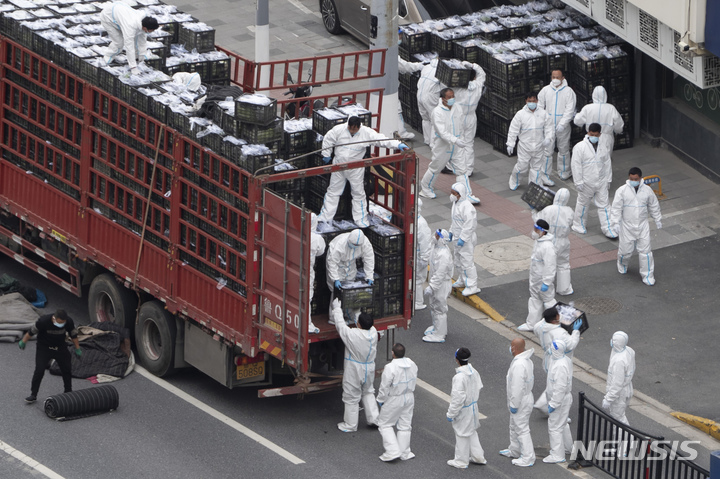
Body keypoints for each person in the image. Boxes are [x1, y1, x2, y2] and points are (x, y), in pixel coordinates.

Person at [318, 116, 408, 227]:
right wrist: (326, 154)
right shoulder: (339, 130)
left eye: (354, 129)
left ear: (359, 127)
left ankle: (361, 221)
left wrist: (397, 144)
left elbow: (380, 139)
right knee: (333, 192)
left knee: (358, 194)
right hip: (339, 167)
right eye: (350, 128)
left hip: (355, 169)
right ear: (348, 125)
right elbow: (328, 139)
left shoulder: (366, 133)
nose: (352, 131)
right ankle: (325, 219)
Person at [331, 298, 379, 432]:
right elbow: (364, 322)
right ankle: (374, 418)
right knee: (368, 391)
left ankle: (350, 425)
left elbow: (340, 326)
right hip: (369, 367)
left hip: (355, 369)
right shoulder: (373, 332)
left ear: (358, 324)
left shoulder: (353, 335)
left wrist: (337, 309)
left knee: (351, 396)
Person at [610, 167, 662, 285]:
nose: (633, 180)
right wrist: (615, 222)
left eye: (636, 179)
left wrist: (657, 218)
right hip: (627, 226)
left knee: (646, 252)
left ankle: (648, 276)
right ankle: (622, 264)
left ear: (640, 178)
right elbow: (616, 208)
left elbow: (653, 205)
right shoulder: (622, 191)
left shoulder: (647, 191)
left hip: (642, 225)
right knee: (625, 251)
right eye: (631, 178)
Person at [419, 88, 473, 199]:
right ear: (443, 99)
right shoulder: (437, 112)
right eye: (449, 97)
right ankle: (425, 188)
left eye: (453, 96)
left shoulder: (457, 108)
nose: (452, 99)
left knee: (462, 170)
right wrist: (455, 140)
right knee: (435, 168)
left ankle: (466, 194)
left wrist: (460, 139)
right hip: (442, 146)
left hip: (456, 145)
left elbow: (461, 124)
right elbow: (442, 132)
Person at [18, 309, 81, 403]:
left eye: (63, 323)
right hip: (44, 348)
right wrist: (23, 341)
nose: (62, 325)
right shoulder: (43, 321)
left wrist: (77, 348)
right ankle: (33, 394)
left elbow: (73, 335)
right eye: (60, 322)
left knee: (66, 369)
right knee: (39, 371)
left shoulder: (68, 321)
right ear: (54, 318)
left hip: (60, 347)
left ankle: (68, 391)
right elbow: (31, 332)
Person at [571, 123, 616, 238]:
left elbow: (607, 163)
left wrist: (608, 180)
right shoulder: (580, 147)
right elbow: (576, 165)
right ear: (588, 132)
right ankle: (578, 224)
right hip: (586, 182)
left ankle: (608, 228)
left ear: (600, 134)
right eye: (592, 134)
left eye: (596, 135)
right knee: (583, 204)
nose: (594, 136)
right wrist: (578, 182)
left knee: (604, 205)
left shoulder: (603, 146)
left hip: (601, 181)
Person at [532, 307, 581, 413]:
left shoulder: (539, 326)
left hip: (547, 359)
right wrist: (576, 331)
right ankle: (549, 406)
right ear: (556, 318)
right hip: (559, 359)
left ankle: (543, 404)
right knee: (559, 383)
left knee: (552, 381)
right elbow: (571, 344)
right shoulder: (560, 333)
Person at [377, 343, 418, 461]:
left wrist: (381, 399)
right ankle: (404, 452)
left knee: (385, 424)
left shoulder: (390, 367)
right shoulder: (412, 364)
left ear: (392, 353)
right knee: (405, 425)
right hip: (409, 396)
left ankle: (392, 451)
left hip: (395, 397)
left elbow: (384, 386)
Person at [446, 347, 486, 469]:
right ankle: (478, 456)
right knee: (472, 431)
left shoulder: (459, 377)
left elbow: (457, 398)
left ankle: (461, 461)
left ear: (457, 359)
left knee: (461, 433)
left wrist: (451, 414)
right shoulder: (474, 371)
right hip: (473, 406)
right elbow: (479, 386)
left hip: (464, 409)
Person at [506, 92, 554, 190]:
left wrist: (548, 138)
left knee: (536, 169)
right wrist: (510, 143)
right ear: (526, 101)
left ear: (537, 101)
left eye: (533, 101)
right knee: (522, 167)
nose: (532, 103)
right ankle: (514, 180)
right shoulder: (520, 114)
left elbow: (549, 127)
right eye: (529, 101)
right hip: (525, 147)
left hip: (539, 146)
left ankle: (534, 186)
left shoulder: (543, 113)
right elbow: (513, 129)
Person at [453, 61, 487, 199]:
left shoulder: (458, 88)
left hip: (459, 117)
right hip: (471, 116)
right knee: (469, 143)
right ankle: (469, 168)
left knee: (459, 143)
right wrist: (473, 65)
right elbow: (482, 73)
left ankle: (461, 168)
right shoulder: (478, 85)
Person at [325, 229, 375, 322]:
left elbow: (369, 259)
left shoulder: (365, 243)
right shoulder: (339, 245)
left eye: (357, 246)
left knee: (350, 290)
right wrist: (335, 279)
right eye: (353, 244)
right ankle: (334, 318)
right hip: (338, 264)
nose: (355, 247)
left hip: (350, 263)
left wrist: (369, 276)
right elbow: (332, 263)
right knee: (337, 292)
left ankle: (349, 314)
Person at [500, 338, 536, 467]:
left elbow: (517, 386)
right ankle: (515, 450)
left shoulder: (519, 365)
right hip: (524, 398)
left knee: (521, 429)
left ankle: (528, 457)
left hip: (520, 401)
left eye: (511, 346)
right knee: (514, 426)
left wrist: (514, 405)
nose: (510, 348)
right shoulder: (526, 361)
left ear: (514, 348)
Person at [517, 220, 557, 331]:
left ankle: (557, 323)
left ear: (543, 232)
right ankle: (531, 324)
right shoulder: (539, 242)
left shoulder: (548, 247)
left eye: (537, 230)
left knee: (549, 301)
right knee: (535, 300)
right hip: (535, 279)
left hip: (542, 280)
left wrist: (547, 282)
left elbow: (550, 266)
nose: (534, 232)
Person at [533, 188, 574, 295]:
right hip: (563, 241)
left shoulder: (548, 209)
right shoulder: (569, 211)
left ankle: (541, 285)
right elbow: (571, 224)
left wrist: (534, 211)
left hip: (549, 240)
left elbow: (538, 221)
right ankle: (564, 289)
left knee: (545, 263)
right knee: (563, 264)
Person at [538, 69, 577, 182]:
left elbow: (570, 109)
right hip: (548, 126)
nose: (555, 79)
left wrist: (563, 123)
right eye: (553, 77)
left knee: (563, 149)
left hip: (562, 127)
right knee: (547, 151)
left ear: (563, 78)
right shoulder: (545, 90)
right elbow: (540, 106)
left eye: (557, 77)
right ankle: (544, 174)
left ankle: (564, 171)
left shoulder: (568, 92)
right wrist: (544, 121)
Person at [100, 2, 158, 75]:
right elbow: (129, 46)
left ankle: (137, 57)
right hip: (108, 18)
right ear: (145, 27)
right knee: (119, 42)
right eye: (151, 30)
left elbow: (142, 40)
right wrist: (133, 67)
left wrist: (141, 55)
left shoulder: (143, 20)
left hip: (120, 11)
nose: (151, 32)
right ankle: (107, 57)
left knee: (137, 37)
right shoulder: (130, 26)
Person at [544, 339, 574, 463]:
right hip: (562, 399)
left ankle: (557, 454)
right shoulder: (563, 360)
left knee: (554, 426)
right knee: (562, 424)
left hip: (559, 400)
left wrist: (554, 404)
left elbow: (560, 387)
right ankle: (568, 448)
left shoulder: (560, 365)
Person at [448, 182, 480, 297]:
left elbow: (470, 225)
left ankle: (472, 286)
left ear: (460, 194)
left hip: (466, 240)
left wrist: (463, 238)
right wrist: (451, 232)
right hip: (457, 237)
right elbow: (455, 221)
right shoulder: (455, 203)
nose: (451, 195)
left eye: (454, 193)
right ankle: (462, 280)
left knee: (467, 262)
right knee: (458, 260)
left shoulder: (467, 207)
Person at [423, 229, 454, 343]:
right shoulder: (436, 247)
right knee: (434, 306)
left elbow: (440, 274)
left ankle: (439, 334)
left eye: (437, 235)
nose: (435, 236)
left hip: (441, 284)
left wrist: (432, 287)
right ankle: (436, 328)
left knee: (439, 308)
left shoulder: (443, 255)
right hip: (436, 283)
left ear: (442, 239)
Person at [573, 85, 624, 155]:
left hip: (591, 137)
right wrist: (618, 131)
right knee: (606, 161)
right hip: (606, 137)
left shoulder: (587, 108)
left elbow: (577, 121)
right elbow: (619, 124)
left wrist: (576, 115)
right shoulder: (611, 108)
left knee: (590, 159)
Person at [602, 331, 635, 425]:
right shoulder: (628, 350)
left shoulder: (619, 361)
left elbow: (617, 383)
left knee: (618, 418)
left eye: (613, 340)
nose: (611, 341)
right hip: (628, 388)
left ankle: (627, 439)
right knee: (620, 416)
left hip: (619, 394)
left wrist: (608, 399)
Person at [398, 29, 424, 140]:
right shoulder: (390, 52)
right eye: (399, 36)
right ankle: (400, 132)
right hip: (387, 87)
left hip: (384, 84)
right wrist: (420, 66)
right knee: (396, 109)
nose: (400, 39)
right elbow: (405, 67)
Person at [416, 58, 444, 145]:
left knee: (425, 118)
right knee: (434, 119)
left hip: (420, 93)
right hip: (431, 96)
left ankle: (427, 139)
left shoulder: (427, 67)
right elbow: (444, 87)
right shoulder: (441, 70)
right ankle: (433, 143)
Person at [308, 213, 326, 334]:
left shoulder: (294, 233)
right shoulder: (316, 238)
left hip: (291, 267)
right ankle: (307, 324)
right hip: (307, 270)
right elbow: (321, 252)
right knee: (307, 296)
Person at [415, 199, 432, 310]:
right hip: (416, 255)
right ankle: (417, 301)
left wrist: (424, 258)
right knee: (416, 279)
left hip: (418, 256)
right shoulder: (417, 221)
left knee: (417, 280)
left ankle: (418, 302)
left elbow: (425, 242)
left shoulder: (420, 224)